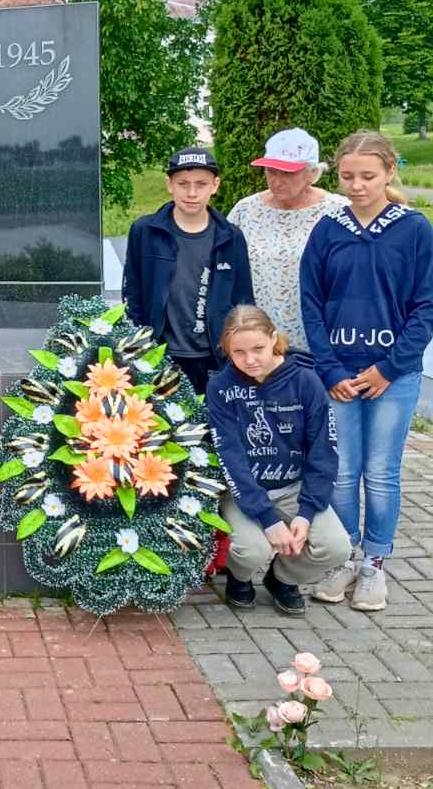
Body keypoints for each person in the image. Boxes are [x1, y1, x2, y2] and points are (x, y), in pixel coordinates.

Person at [300, 130, 433, 613]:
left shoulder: (414, 229)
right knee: (341, 473)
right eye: (348, 176)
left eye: (368, 176)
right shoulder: (327, 229)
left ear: (390, 172)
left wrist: (388, 369)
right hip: (338, 374)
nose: (357, 186)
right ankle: (344, 557)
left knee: (380, 473)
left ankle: (375, 562)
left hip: (392, 378)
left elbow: (425, 307)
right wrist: (329, 367)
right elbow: (311, 304)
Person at [207, 306, 351, 616]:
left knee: (337, 547)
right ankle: (239, 577)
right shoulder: (220, 387)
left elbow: (324, 451)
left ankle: (282, 578)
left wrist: (306, 512)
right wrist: (267, 518)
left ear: (273, 339)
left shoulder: (306, 381)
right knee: (252, 550)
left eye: (258, 348)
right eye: (238, 352)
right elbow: (230, 457)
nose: (250, 360)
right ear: (227, 350)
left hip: (292, 488)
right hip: (244, 489)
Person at [122, 146, 254, 393]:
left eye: (201, 184)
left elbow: (243, 301)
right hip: (160, 357)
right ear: (169, 184)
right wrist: (142, 347)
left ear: (215, 185)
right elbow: (133, 295)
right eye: (183, 184)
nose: (192, 193)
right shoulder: (145, 231)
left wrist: (240, 353)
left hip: (215, 360)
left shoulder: (231, 236)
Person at [227, 128, 348, 354]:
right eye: (271, 171)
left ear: (311, 173)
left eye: (288, 173)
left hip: (322, 339)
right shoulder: (246, 210)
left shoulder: (338, 211)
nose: (277, 180)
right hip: (259, 343)